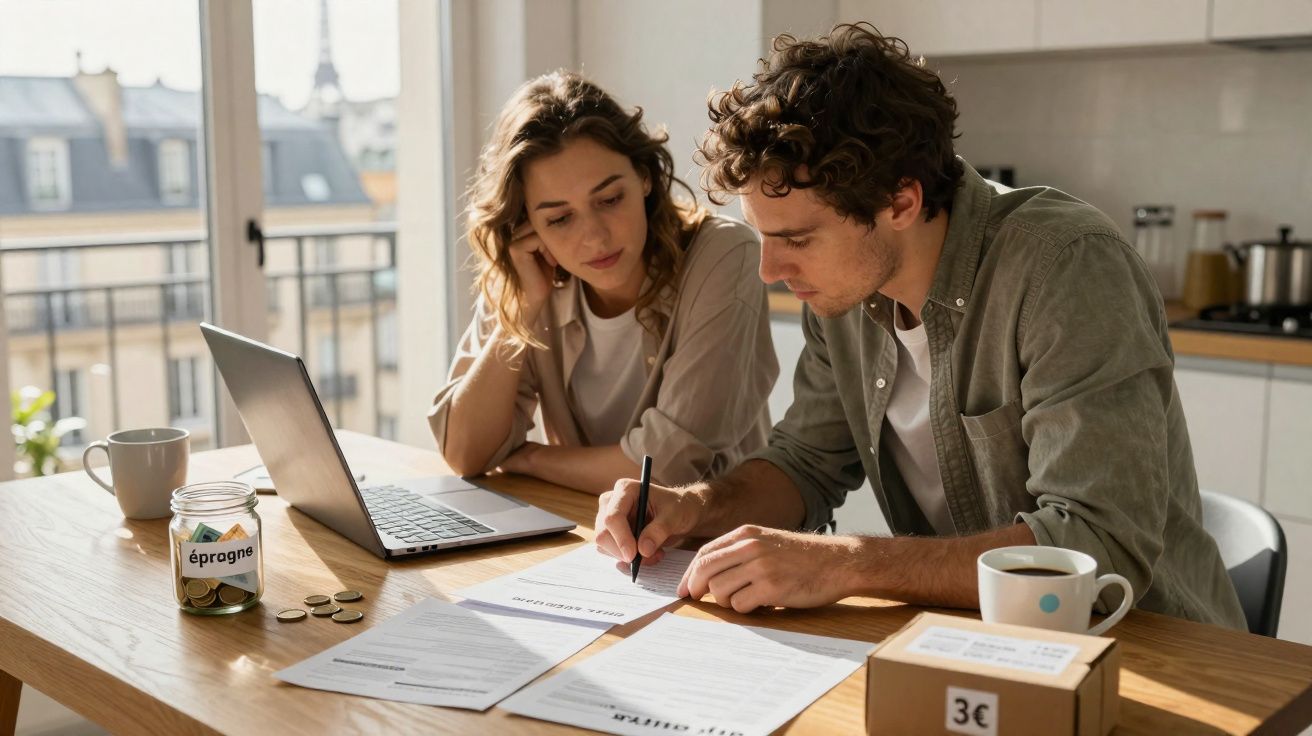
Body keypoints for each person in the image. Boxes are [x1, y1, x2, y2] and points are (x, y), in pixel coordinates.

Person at [593, 24, 1246, 628]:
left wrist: (849, 563)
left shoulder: (1064, 266)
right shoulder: (846, 295)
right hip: (976, 646)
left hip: (1144, 648)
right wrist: (692, 509)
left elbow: (1095, 544)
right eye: (764, 237)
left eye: (796, 238)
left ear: (901, 201)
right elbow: (806, 464)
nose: (769, 271)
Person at [430, 71, 777, 494]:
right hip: (592, 538)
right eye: (559, 219)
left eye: (610, 199)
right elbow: (465, 453)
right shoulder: (529, 273)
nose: (594, 237)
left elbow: (668, 467)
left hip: (709, 542)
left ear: (645, 178)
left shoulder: (724, 254)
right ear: (528, 226)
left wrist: (529, 457)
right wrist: (521, 313)